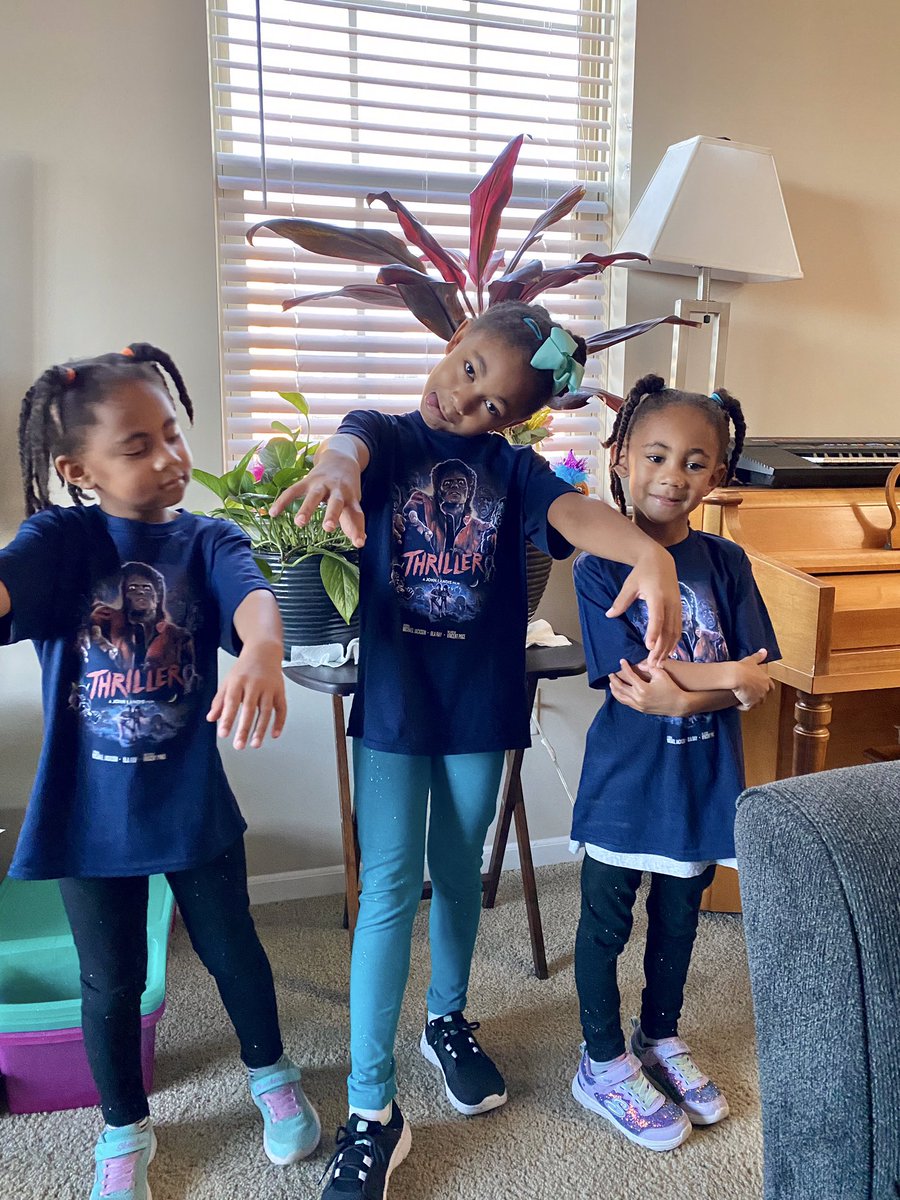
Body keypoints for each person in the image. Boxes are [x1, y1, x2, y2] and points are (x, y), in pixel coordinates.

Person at [269, 302, 685, 1200]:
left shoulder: (517, 471)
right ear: (451, 347)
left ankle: (446, 1019)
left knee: (459, 871)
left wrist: (650, 555)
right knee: (388, 886)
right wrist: (335, 471)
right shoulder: (383, 432)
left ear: (518, 421)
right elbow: (348, 449)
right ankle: (372, 1108)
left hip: (479, 706)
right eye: (469, 377)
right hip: (396, 709)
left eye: (497, 406)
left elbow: (577, 517)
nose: (470, 407)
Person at [0, 345, 320, 1200]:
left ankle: (271, 1075)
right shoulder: (59, 542)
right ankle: (122, 1129)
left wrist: (261, 649)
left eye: (172, 435)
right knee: (108, 983)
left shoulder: (207, 537)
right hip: (84, 814)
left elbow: (253, 598)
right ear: (78, 469)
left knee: (233, 952)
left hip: (188, 807)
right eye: (137, 446)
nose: (170, 458)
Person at [569, 374, 780, 1151]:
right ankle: (600, 1062)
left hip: (701, 784)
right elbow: (638, 682)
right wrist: (725, 680)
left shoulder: (727, 563)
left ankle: (660, 1036)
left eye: (696, 461)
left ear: (719, 474)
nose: (673, 475)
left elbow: (758, 667)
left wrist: (700, 692)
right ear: (621, 459)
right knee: (604, 925)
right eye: (656, 455)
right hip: (626, 787)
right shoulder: (598, 566)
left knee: (680, 921)